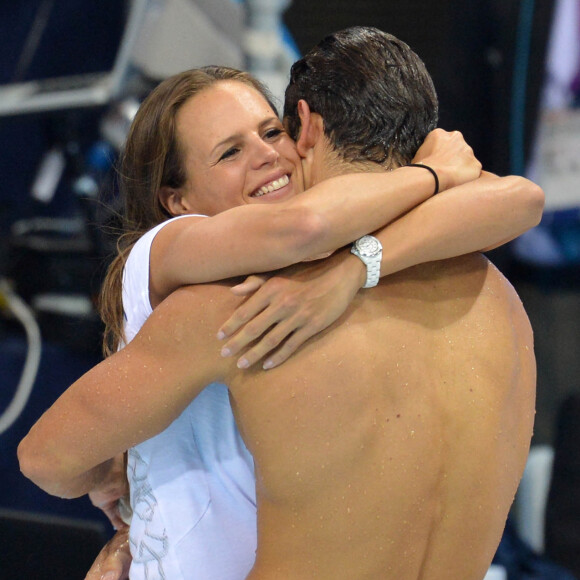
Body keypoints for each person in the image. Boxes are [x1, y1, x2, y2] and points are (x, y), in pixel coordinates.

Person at [19, 28, 542, 580]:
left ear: (304, 127)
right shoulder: (500, 303)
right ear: (178, 202)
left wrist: (351, 267)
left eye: (272, 132)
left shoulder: (239, 307)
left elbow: (46, 460)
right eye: (229, 152)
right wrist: (436, 175)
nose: (269, 157)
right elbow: (309, 226)